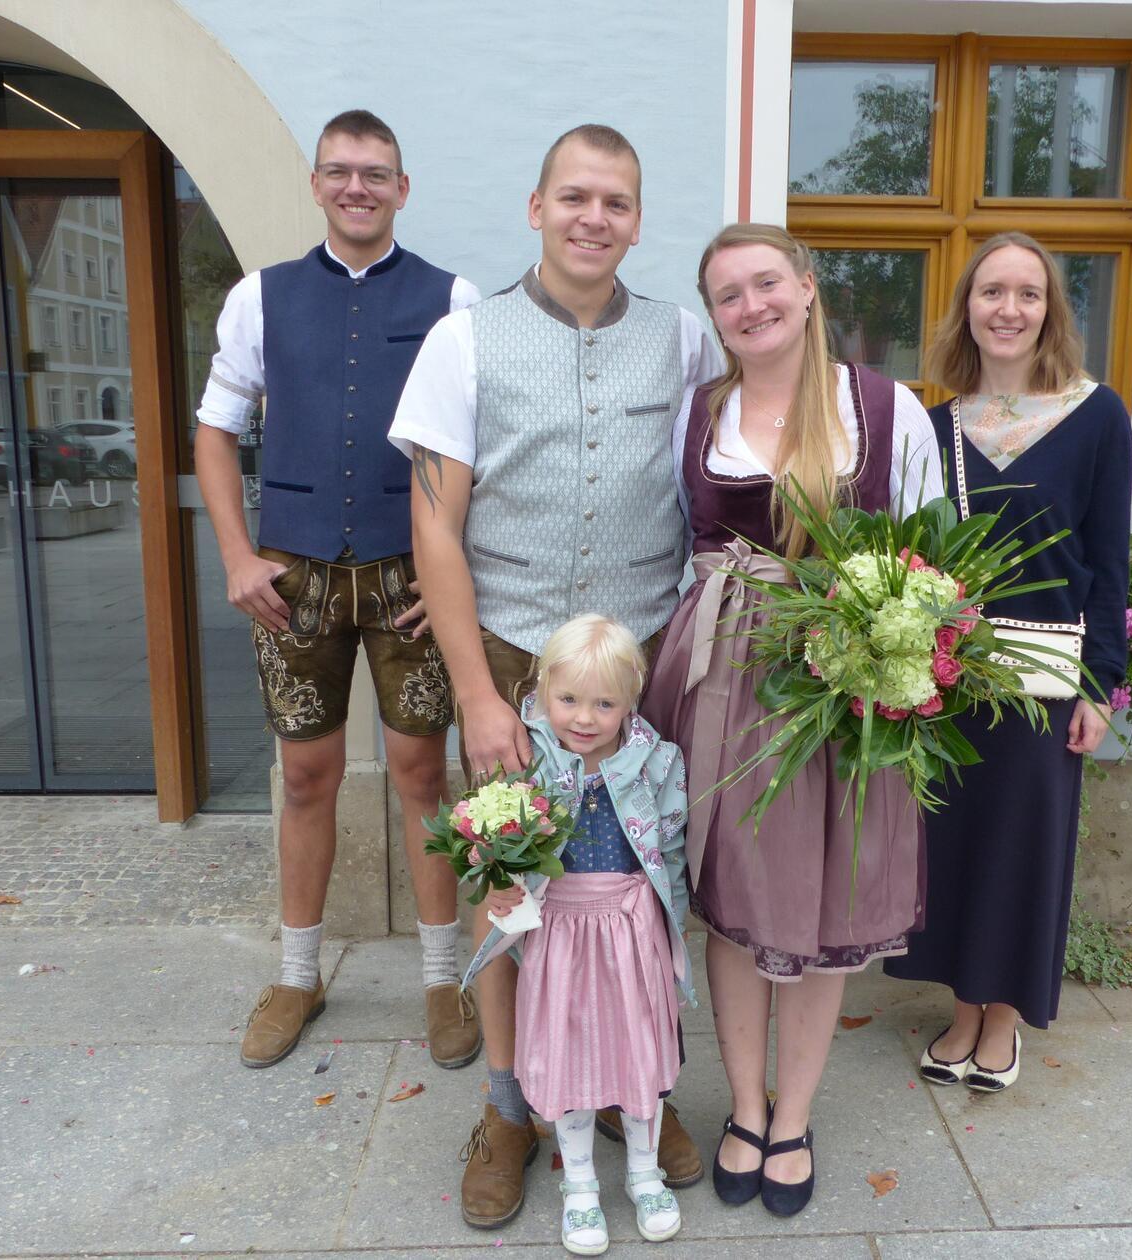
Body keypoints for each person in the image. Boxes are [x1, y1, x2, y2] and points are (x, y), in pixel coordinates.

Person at [391, 123, 722, 1228]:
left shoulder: (683, 344)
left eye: (616, 202)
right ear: (536, 207)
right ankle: (508, 1108)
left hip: (640, 660)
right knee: (511, 894)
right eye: (574, 197)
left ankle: (638, 1093)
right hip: (512, 653)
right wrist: (482, 696)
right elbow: (435, 527)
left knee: (638, 887)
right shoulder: (465, 341)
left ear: (637, 220)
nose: (594, 218)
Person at [639, 222, 937, 1217]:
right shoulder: (699, 413)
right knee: (732, 900)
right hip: (722, 672)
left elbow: (935, 562)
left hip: (846, 680)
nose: (750, 305)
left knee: (822, 903)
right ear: (715, 318)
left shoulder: (887, 412)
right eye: (728, 295)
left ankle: (794, 1115)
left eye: (767, 283)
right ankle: (745, 1106)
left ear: (809, 289)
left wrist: (909, 664)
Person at [196, 109, 482, 1072]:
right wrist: (239, 555)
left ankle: (444, 979)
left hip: (412, 577)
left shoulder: (456, 297)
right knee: (308, 777)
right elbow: (215, 433)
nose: (358, 187)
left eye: (377, 174)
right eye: (340, 173)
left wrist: (457, 566)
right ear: (317, 185)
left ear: (404, 187)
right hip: (294, 577)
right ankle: (297, 973)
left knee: (423, 775)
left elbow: (483, 444)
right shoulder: (259, 298)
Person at [883, 231, 1132, 1093]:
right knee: (951, 843)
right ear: (968, 308)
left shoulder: (1098, 415)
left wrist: (1102, 683)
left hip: (1045, 672)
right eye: (993, 291)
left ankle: (1005, 1018)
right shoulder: (936, 424)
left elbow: (1110, 555)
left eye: (1028, 293)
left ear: (1050, 310)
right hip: (954, 672)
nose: (1010, 309)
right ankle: (961, 1008)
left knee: (1024, 845)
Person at [460, 614, 693, 1254]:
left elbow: (671, 852)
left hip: (628, 925)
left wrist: (670, 929)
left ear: (630, 701)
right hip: (561, 928)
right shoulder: (527, 761)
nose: (583, 718)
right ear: (541, 690)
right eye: (568, 699)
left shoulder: (656, 761)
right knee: (569, 1050)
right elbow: (491, 842)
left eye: (604, 703)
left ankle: (645, 1175)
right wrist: (500, 879)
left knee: (639, 1048)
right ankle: (582, 1185)